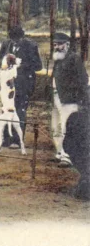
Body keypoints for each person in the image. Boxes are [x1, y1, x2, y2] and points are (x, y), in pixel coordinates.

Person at [0, 25, 43, 147]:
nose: (15, 42)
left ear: (23, 37)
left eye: (18, 40)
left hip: (24, 83)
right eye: (13, 39)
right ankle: (6, 139)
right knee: (6, 108)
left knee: (19, 110)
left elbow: (38, 66)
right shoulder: (6, 44)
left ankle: (17, 140)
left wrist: (20, 64)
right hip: (8, 83)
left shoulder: (31, 46)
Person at [51, 32, 88, 168]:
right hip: (56, 97)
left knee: (67, 127)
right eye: (55, 44)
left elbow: (83, 80)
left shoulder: (74, 58)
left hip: (70, 100)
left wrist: (77, 97)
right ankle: (59, 152)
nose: (57, 47)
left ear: (67, 45)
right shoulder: (57, 59)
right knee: (56, 127)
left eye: (60, 44)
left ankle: (68, 156)